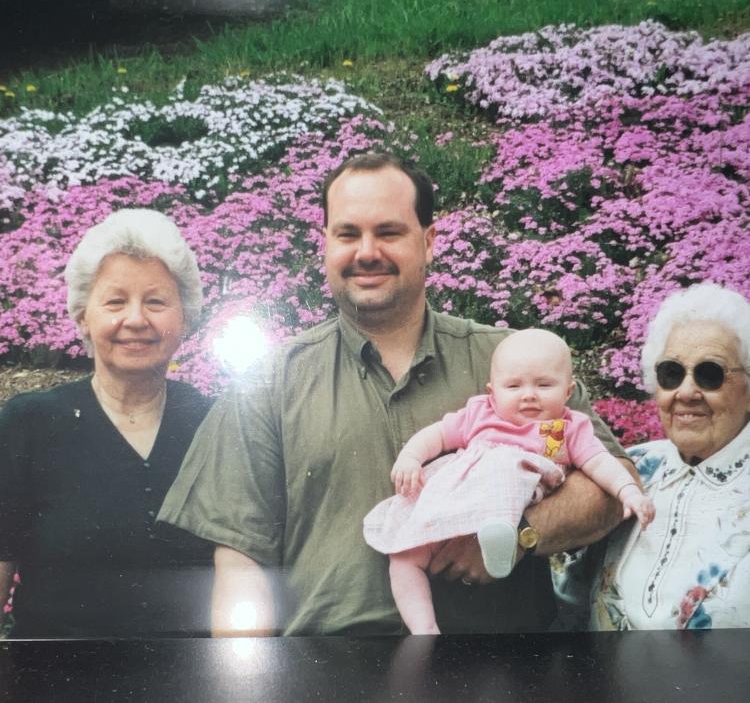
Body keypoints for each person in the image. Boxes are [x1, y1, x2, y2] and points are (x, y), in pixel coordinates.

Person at [158, 152, 633, 636]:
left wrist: (522, 534)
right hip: (331, 675)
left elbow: (613, 487)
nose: (366, 252)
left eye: (388, 232)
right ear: (325, 243)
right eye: (347, 234)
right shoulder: (270, 381)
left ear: (428, 242)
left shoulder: (510, 362)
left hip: (498, 670)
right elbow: (240, 561)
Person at [0, 209, 214, 638]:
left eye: (156, 301)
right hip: (51, 685)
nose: (135, 319)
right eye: (115, 301)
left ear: (185, 318)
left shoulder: (214, 424)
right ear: (83, 315)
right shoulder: (28, 424)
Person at [364, 328, 653, 634]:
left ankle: (502, 537)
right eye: (513, 385)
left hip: (511, 496)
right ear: (493, 393)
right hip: (454, 501)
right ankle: (424, 629)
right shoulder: (479, 413)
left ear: (568, 392)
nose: (528, 394)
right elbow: (437, 434)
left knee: (504, 467)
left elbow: (599, 462)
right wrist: (410, 458)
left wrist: (628, 491)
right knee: (404, 556)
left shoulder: (564, 429)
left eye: (543, 384)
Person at [588, 283, 750, 630]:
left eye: (711, 374)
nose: (687, 392)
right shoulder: (631, 468)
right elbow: (570, 601)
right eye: (672, 373)